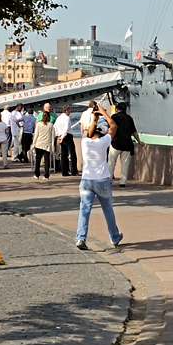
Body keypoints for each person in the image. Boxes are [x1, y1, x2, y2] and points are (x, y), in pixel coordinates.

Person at [74, 104, 124, 251]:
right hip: (102, 179)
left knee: (84, 209)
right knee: (108, 210)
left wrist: (94, 118)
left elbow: (88, 133)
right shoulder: (104, 142)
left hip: (86, 180)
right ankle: (114, 237)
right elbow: (113, 126)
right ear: (103, 134)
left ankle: (80, 238)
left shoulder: (85, 142)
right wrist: (103, 112)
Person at [109, 99, 139, 182]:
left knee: (111, 162)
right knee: (125, 164)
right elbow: (134, 132)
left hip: (116, 143)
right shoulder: (129, 118)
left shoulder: (114, 117)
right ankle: (123, 181)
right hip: (127, 144)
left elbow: (111, 128)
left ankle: (109, 179)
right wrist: (139, 142)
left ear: (117, 109)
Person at [32, 103, 56, 179]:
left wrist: (33, 144)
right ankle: (46, 175)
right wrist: (52, 145)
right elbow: (53, 136)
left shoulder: (39, 124)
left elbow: (36, 135)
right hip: (47, 144)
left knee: (38, 160)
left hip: (39, 144)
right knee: (47, 160)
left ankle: (37, 174)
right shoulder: (51, 125)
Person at [54, 107, 74, 176]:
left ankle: (64, 171)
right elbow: (66, 128)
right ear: (66, 111)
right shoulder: (67, 118)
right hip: (67, 136)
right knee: (72, 153)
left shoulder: (58, 118)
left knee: (63, 154)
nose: (70, 112)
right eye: (69, 111)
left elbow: (55, 127)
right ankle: (73, 170)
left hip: (60, 136)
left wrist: (59, 136)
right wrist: (63, 136)